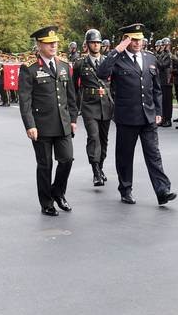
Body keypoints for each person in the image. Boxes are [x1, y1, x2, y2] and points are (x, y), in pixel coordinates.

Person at [97, 23, 177, 206]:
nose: (137, 43)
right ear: (126, 40)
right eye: (133, 39)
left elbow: (156, 88)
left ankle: (162, 190)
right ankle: (125, 189)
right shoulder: (117, 59)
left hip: (148, 115)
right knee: (125, 156)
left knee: (153, 154)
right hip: (127, 116)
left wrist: (158, 111)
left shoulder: (150, 58)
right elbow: (101, 72)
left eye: (139, 39)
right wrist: (117, 50)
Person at [18, 26, 79, 216]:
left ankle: (58, 192)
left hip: (63, 123)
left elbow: (71, 96)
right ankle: (46, 202)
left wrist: (73, 119)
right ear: (39, 45)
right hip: (42, 126)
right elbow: (25, 100)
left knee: (67, 159)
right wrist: (30, 125)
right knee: (45, 165)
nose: (53, 45)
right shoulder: (30, 69)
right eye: (49, 43)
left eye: (55, 42)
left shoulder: (63, 66)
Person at [72, 28, 114, 186]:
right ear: (87, 44)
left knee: (104, 140)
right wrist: (74, 112)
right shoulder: (80, 64)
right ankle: (95, 171)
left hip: (106, 105)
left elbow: (115, 85)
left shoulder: (108, 62)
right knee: (94, 137)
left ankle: (101, 167)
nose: (96, 45)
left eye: (98, 42)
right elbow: (73, 89)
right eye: (93, 42)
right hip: (89, 105)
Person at [156, 37, 174, 127]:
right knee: (162, 101)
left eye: (163, 45)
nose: (162, 46)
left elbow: (163, 65)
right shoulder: (162, 54)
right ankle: (163, 118)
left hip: (167, 81)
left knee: (167, 102)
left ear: (167, 45)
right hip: (161, 80)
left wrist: (155, 60)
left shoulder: (169, 55)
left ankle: (168, 119)